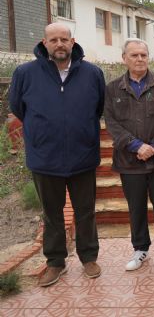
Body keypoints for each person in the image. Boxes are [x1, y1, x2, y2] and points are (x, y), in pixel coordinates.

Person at [9, 23, 105, 287]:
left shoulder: (92, 73)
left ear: (72, 42)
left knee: (85, 212)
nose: (60, 44)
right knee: (52, 213)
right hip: (44, 157)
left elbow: (97, 108)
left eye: (64, 39)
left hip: (82, 156)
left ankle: (88, 258)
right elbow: (18, 108)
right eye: (54, 40)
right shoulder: (25, 73)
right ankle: (55, 262)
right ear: (45, 42)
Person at [104, 38, 154, 273]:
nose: (139, 59)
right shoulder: (112, 88)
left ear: (149, 57)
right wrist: (136, 145)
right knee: (135, 207)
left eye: (143, 55)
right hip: (129, 160)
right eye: (134, 55)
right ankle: (140, 249)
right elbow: (111, 122)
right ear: (124, 58)